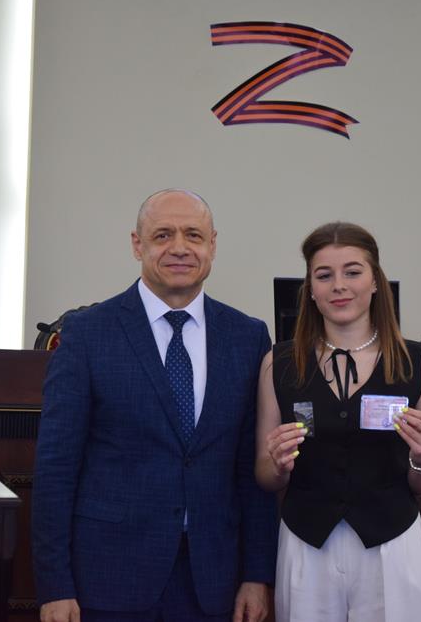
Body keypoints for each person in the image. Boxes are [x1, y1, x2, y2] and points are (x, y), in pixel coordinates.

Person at [32, 189, 277, 622]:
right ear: (137, 244)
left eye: (193, 235)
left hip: (214, 584)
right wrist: (55, 585)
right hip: (108, 580)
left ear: (212, 245)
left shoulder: (248, 336)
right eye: (163, 235)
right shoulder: (87, 334)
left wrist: (257, 575)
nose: (179, 247)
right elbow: (56, 468)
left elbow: (250, 468)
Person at [256, 221, 421, 622]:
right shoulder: (279, 363)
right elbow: (265, 476)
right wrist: (277, 464)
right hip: (307, 543)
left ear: (375, 281)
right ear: (310, 289)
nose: (339, 285)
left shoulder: (420, 363)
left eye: (353, 272)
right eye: (324, 275)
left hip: (391, 544)